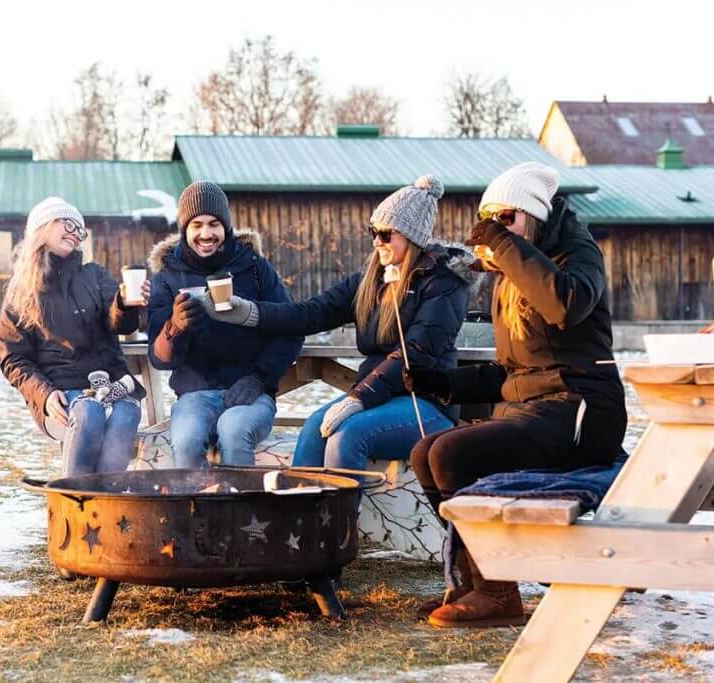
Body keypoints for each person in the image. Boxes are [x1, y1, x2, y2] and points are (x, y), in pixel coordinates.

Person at [406, 162, 627, 628]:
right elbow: (513, 372)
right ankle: (471, 581)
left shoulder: (577, 255)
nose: (496, 231)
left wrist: (504, 246)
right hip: (533, 408)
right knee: (426, 451)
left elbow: (565, 306)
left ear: (533, 215)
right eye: (490, 220)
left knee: (450, 453)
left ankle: (498, 592)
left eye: (506, 218)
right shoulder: (510, 274)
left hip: (582, 408)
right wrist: (443, 383)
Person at [203, 175, 474, 471]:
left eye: (386, 234)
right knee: (312, 430)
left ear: (412, 237)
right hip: (375, 397)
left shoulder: (445, 283)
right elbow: (309, 313)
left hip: (426, 403)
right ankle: (302, 514)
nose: (376, 241)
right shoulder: (370, 281)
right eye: (373, 231)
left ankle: (341, 517)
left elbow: (417, 351)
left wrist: (358, 398)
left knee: (347, 436)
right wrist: (249, 313)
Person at [147, 181, 303, 468]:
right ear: (185, 229)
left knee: (233, 431)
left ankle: (240, 510)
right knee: (186, 439)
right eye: (197, 225)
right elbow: (159, 359)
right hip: (193, 397)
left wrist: (259, 378)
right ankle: (192, 508)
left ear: (226, 227)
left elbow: (291, 330)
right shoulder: (166, 277)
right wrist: (174, 327)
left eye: (214, 224)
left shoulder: (255, 268)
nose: (206, 234)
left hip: (250, 395)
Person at [0, 196, 149, 477]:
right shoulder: (22, 290)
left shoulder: (94, 275)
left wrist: (126, 304)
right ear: (43, 227)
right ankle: (74, 500)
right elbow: (13, 359)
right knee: (88, 413)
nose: (75, 233)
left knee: (127, 414)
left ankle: (108, 500)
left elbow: (121, 325)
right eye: (67, 224)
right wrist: (44, 395)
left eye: (79, 230)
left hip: (112, 386)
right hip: (61, 393)